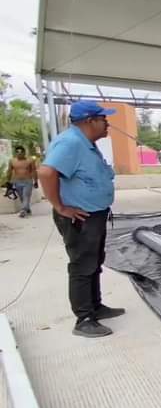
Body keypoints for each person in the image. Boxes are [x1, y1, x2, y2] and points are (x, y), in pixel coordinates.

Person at [38, 101, 125, 338]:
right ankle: (84, 319)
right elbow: (46, 172)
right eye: (103, 119)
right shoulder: (71, 143)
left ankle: (95, 306)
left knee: (94, 262)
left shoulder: (86, 143)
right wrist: (60, 207)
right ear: (90, 121)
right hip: (80, 217)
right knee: (82, 265)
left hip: (93, 214)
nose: (107, 123)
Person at [5, 145, 38, 217]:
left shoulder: (30, 160)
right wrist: (8, 181)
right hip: (17, 181)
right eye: (17, 152)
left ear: (24, 152)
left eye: (21, 152)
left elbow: (33, 171)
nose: (19, 154)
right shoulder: (12, 161)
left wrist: (35, 181)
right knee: (21, 197)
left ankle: (23, 210)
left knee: (26, 196)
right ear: (15, 153)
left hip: (28, 181)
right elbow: (9, 171)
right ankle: (27, 209)